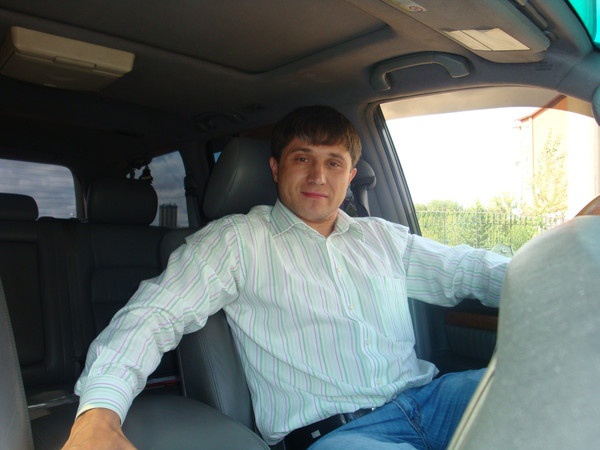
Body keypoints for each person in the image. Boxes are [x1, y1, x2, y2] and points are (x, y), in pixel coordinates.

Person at [62, 105, 508, 449]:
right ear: (276, 169)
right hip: (342, 433)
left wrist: (546, 272)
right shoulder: (237, 240)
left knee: (537, 386)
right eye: (302, 158)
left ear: (350, 176)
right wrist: (99, 413)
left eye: (334, 163)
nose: (318, 176)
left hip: (434, 400)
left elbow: (467, 269)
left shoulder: (383, 238)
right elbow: (154, 314)